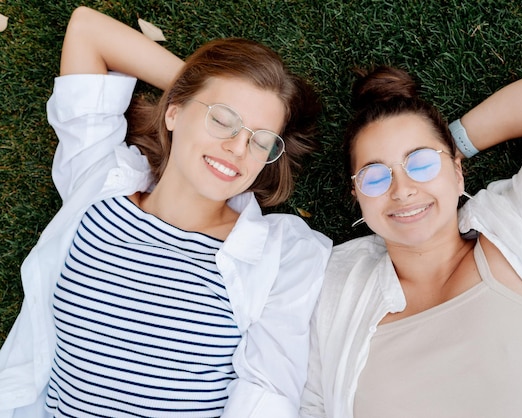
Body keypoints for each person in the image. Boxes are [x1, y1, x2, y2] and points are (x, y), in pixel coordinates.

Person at [0, 6, 331, 418]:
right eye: (224, 120)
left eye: (261, 140)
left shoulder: (282, 254)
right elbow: (87, 29)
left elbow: (268, 393)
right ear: (172, 111)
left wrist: (204, 102)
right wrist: (194, 89)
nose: (238, 148)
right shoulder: (101, 180)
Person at [300, 63, 522, 417]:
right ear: (357, 195)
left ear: (457, 173)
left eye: (422, 163)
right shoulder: (334, 285)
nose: (403, 190)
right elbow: (310, 405)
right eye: (375, 176)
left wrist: (455, 141)